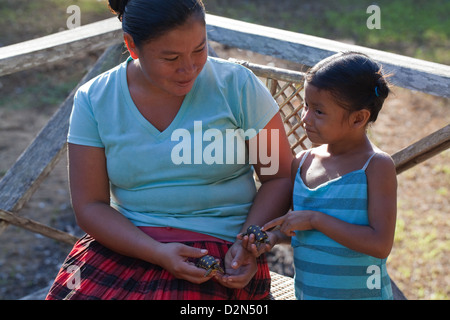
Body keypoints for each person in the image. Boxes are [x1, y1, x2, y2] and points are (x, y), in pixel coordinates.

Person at [45, 0, 293, 300]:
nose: (188, 69)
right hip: (128, 244)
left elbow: (278, 177)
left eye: (199, 49)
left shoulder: (238, 87)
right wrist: (157, 252)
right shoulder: (95, 100)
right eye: (171, 57)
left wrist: (249, 245)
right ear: (132, 46)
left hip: (223, 251)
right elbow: (90, 206)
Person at [260, 52, 397, 300]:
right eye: (305, 106)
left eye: (319, 112)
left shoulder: (375, 167)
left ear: (358, 118)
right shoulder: (302, 163)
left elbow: (380, 244)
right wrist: (272, 237)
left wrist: (316, 219)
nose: (305, 118)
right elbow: (300, 232)